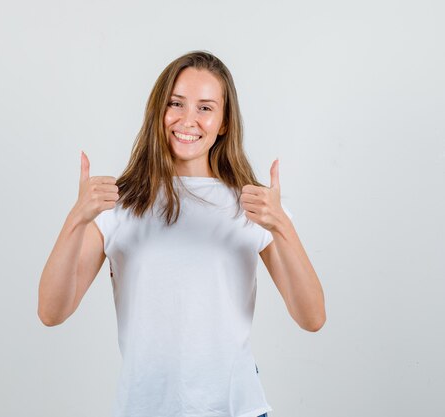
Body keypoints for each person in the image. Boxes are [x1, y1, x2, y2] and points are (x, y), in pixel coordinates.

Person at [38, 50, 326, 417]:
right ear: (159, 110)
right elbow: (51, 311)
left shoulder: (253, 205)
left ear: (224, 122)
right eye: (176, 103)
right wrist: (76, 219)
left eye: (205, 108)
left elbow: (312, 317)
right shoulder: (119, 204)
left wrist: (281, 225)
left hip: (236, 410)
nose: (188, 120)